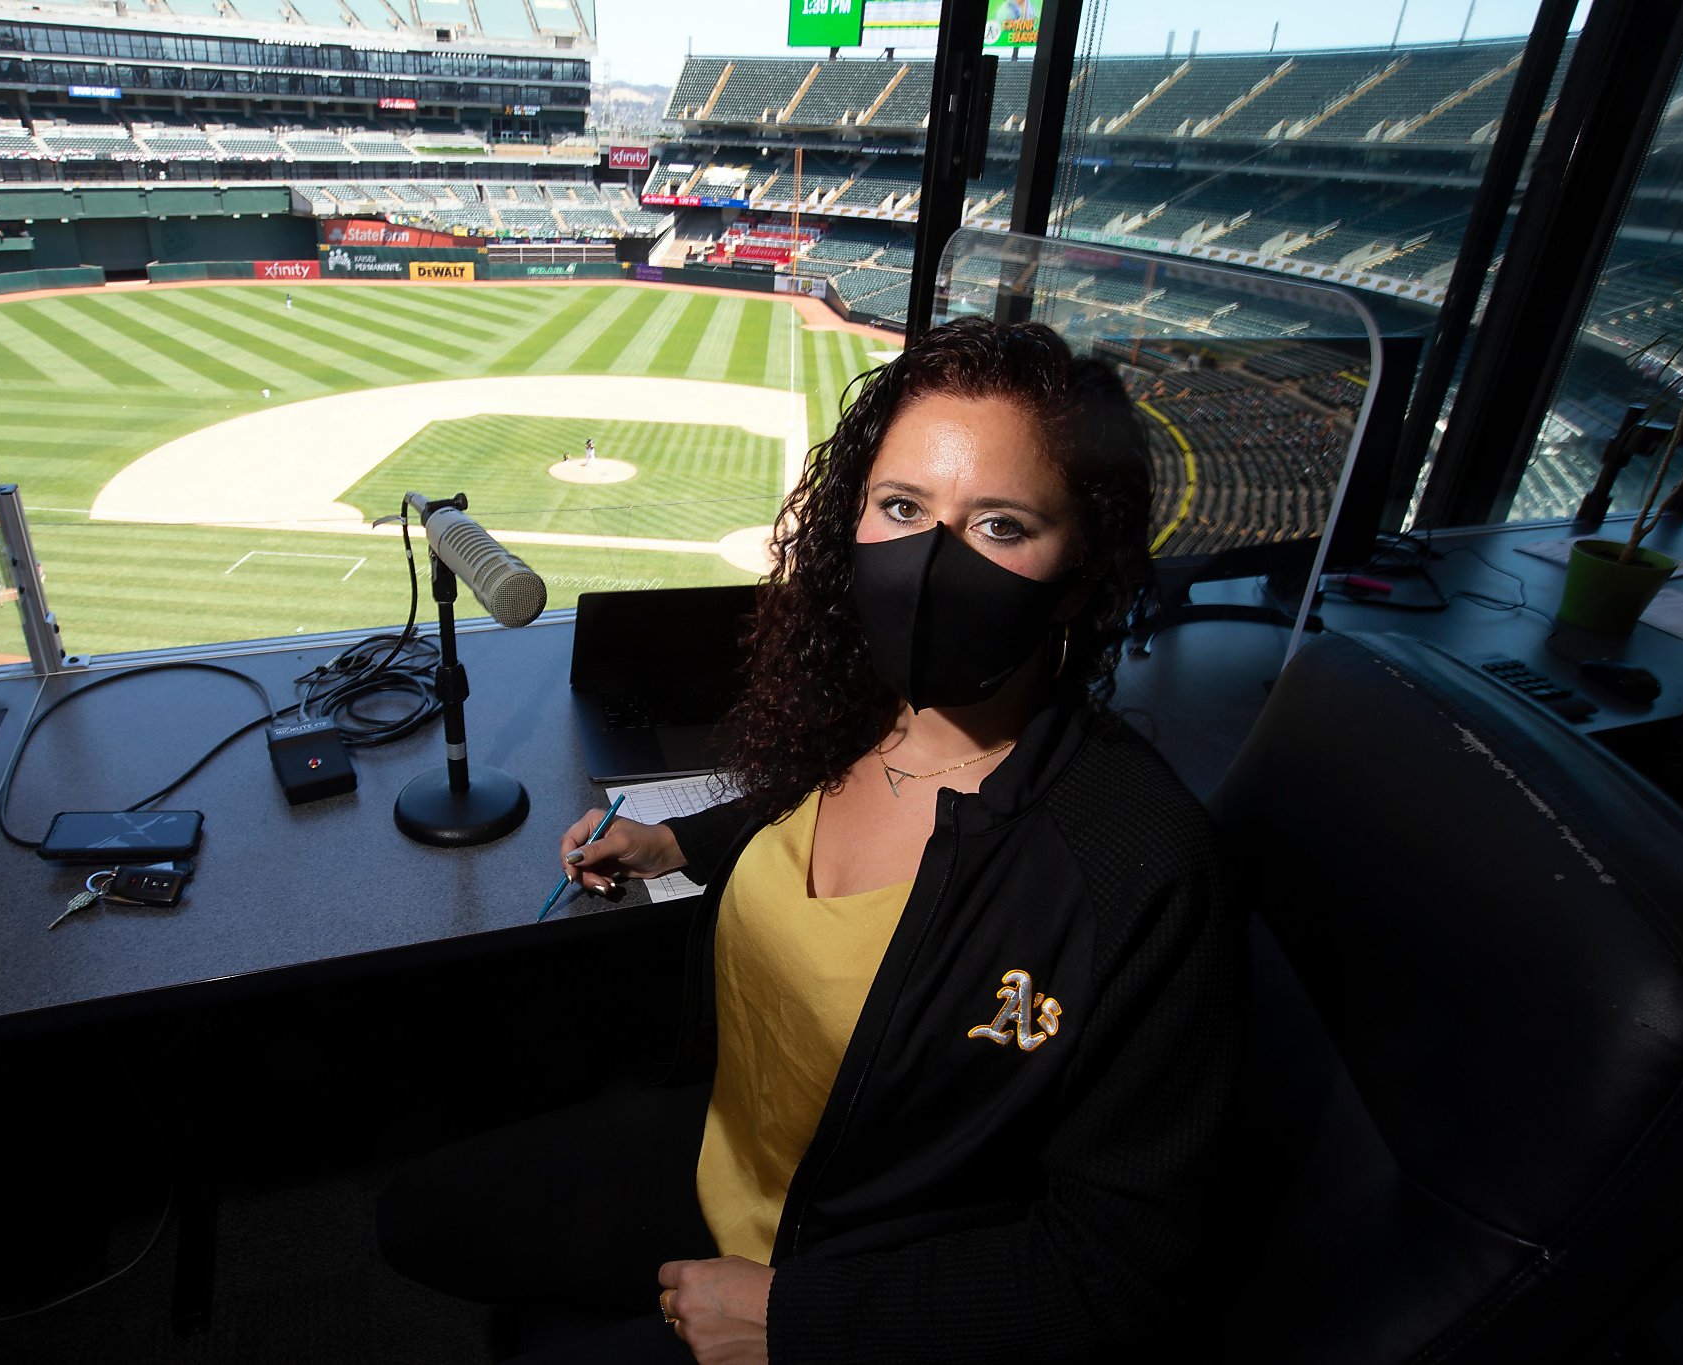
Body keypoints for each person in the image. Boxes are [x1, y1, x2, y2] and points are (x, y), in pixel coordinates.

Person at [377, 319, 1243, 1364]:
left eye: (1000, 526)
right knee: (412, 1219)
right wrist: (677, 844)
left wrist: (800, 1320)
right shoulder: (857, 704)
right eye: (901, 507)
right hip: (718, 1143)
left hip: (851, 1273)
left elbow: (1115, 1280)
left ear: (1082, 572)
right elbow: (787, 805)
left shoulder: (1142, 869)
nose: (929, 561)